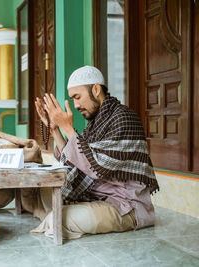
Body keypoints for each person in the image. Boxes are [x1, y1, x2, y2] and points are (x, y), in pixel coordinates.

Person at [32, 65, 159, 239]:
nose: (76, 105)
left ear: (96, 89)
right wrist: (54, 129)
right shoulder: (95, 124)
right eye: (73, 99)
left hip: (126, 207)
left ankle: (57, 215)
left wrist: (67, 127)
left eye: (78, 97)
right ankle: (59, 212)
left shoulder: (124, 118)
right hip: (97, 198)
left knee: (58, 217)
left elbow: (97, 166)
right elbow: (76, 157)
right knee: (39, 193)